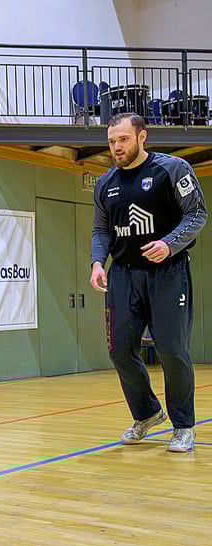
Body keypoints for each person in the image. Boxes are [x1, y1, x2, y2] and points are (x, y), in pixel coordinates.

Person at [91, 112, 207, 452]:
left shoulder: (172, 169)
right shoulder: (105, 183)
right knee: (119, 350)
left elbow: (197, 214)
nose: (116, 147)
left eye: (123, 139)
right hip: (123, 275)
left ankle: (184, 425)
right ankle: (147, 413)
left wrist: (169, 243)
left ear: (142, 137)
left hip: (168, 274)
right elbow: (101, 230)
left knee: (172, 351)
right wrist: (98, 262)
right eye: (112, 141)